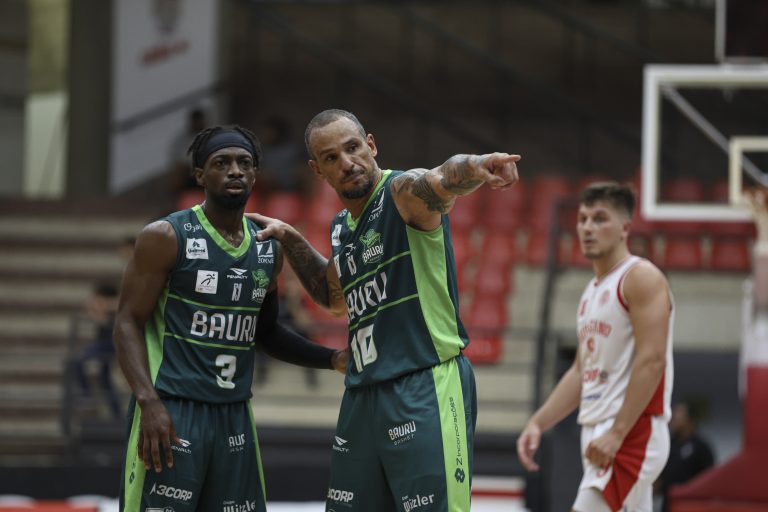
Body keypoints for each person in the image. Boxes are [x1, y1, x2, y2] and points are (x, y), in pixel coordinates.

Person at [249, 108, 520, 511]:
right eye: (331, 157)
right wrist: (290, 238)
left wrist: (477, 165)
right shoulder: (341, 227)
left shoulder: (401, 193)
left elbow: (441, 179)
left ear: (371, 145)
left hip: (423, 382)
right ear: (317, 170)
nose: (347, 163)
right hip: (363, 394)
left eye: (353, 148)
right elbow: (332, 297)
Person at [114, 125, 347, 512]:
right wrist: (148, 401)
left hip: (234, 414)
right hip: (172, 407)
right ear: (200, 175)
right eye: (221, 163)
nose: (235, 170)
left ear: (256, 174)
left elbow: (266, 333)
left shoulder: (268, 247)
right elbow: (127, 322)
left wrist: (332, 359)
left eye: (244, 163)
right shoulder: (166, 236)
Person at [516, 182, 674, 512]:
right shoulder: (591, 291)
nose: (588, 227)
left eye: (600, 219)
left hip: (631, 431)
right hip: (599, 430)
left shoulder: (640, 277)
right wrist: (538, 423)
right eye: (583, 219)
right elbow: (580, 371)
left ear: (625, 228)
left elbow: (652, 359)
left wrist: (617, 433)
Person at [71, 282, 121, 418]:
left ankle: (87, 395)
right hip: (104, 343)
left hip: (109, 344)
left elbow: (110, 310)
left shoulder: (116, 304)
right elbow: (93, 311)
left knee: (79, 362)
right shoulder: (109, 306)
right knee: (105, 381)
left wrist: (103, 306)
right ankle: (116, 414)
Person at [655, 401, 714, 511]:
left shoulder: (701, 446)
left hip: (691, 504)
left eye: (679, 415)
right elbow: (661, 474)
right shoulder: (668, 444)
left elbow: (709, 477)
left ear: (690, 420)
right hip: (669, 503)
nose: (674, 419)